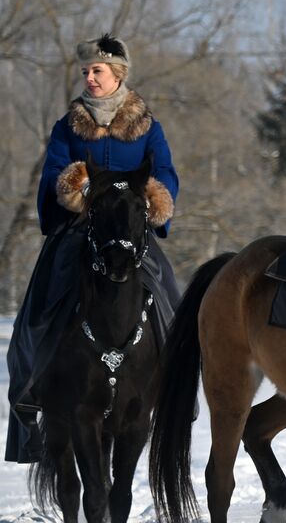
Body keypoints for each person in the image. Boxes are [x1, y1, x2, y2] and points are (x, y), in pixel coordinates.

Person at [5, 34, 181, 462]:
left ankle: (177, 388)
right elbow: (53, 174)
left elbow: (166, 173)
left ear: (117, 74)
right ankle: (29, 395)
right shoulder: (68, 126)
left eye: (97, 70)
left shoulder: (147, 126)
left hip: (131, 227)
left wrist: (153, 200)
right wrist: (74, 186)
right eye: (85, 71)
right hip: (81, 226)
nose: (89, 77)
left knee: (169, 294)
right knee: (38, 306)